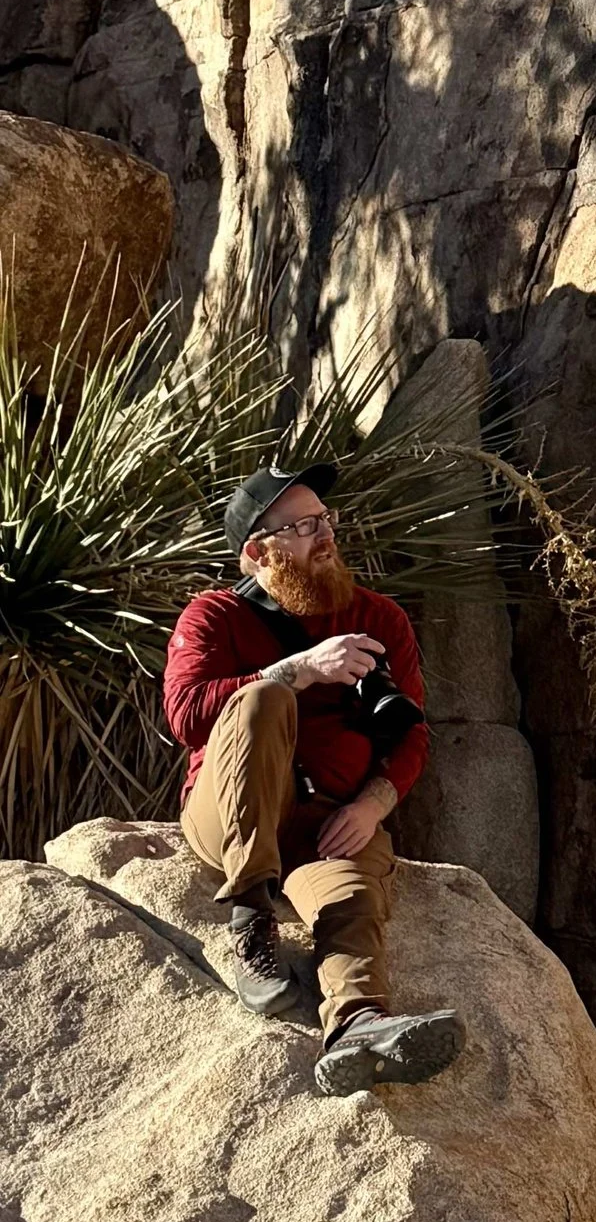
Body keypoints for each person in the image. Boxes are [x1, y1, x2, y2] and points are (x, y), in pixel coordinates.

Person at [163, 464, 461, 1095]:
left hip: (326, 820)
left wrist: (373, 806)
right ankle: (251, 922)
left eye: (324, 520)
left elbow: (411, 734)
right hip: (230, 812)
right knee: (262, 702)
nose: (323, 536)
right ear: (256, 552)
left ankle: (357, 1027)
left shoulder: (381, 619)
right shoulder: (213, 615)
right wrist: (296, 669)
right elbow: (186, 715)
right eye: (300, 527)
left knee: (351, 893)